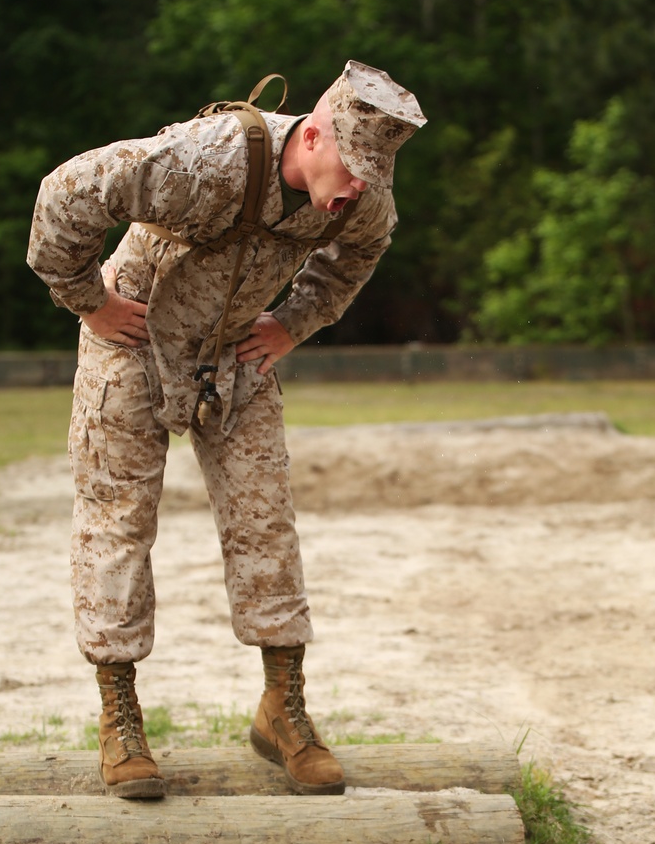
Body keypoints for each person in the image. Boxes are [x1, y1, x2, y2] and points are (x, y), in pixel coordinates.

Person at [27, 61, 425, 800]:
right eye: (352, 169)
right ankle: (121, 718)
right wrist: (87, 301)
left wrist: (294, 323)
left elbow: (363, 251)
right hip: (132, 342)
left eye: (373, 176)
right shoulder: (206, 161)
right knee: (119, 525)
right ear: (312, 136)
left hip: (232, 355)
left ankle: (283, 711)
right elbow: (69, 192)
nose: (360, 189)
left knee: (265, 521)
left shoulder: (355, 194)